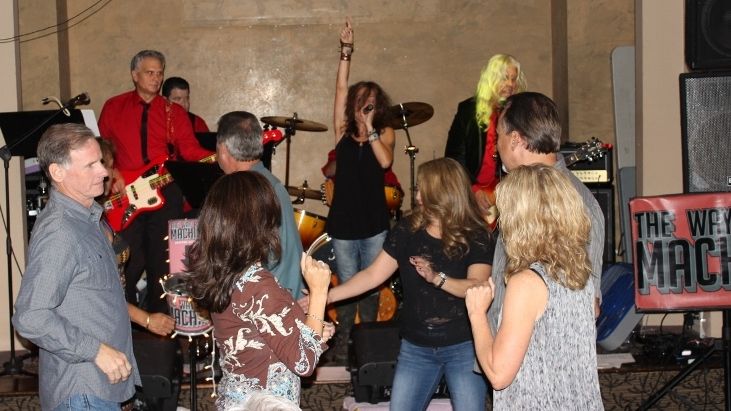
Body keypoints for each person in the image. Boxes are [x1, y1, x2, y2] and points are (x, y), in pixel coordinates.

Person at [318, 157, 494, 410]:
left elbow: (476, 286)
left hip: (463, 345)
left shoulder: (476, 234)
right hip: (416, 346)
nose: (417, 196)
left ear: (442, 192)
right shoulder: (408, 229)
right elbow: (372, 275)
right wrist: (327, 296)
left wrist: (437, 278)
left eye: (423, 189)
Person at [13, 123, 139, 410]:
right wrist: (95, 351)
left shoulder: (87, 218)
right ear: (57, 172)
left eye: (101, 162)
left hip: (99, 388)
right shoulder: (61, 231)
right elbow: (30, 316)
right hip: (82, 391)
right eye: (90, 165)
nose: (104, 172)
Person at [186, 171, 331, 409]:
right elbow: (304, 361)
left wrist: (308, 323)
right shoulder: (257, 284)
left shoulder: (227, 272)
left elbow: (257, 328)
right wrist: (319, 292)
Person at [465, 164, 603, 409]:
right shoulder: (578, 273)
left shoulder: (527, 283)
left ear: (519, 219)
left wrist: (477, 313)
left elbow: (498, 374)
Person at [98, 49, 214, 314]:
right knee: (128, 260)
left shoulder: (173, 112)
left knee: (162, 262)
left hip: (165, 190)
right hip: (126, 193)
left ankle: (160, 324)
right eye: (150, 72)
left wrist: (217, 155)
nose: (156, 78)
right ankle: (125, 319)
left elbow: (189, 149)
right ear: (134, 75)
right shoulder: (114, 107)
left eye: (159, 73)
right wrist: (112, 172)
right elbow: (101, 147)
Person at [486, 91, 605, 337]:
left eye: (499, 136)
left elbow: (586, 305)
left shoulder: (578, 204)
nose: (497, 147)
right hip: (505, 345)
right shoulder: (520, 194)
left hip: (534, 354)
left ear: (515, 139)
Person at [326, 17, 396, 355]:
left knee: (371, 283)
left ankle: (368, 338)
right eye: (360, 101)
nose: (364, 107)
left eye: (371, 103)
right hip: (343, 223)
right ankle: (344, 338)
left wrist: (370, 130)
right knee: (347, 281)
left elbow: (385, 162)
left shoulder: (384, 132)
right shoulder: (341, 132)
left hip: (373, 223)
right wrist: (346, 50)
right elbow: (339, 88)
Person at [215, 110, 305, 299]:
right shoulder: (269, 182)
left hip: (273, 302)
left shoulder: (250, 192)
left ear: (223, 149)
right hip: (283, 295)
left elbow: (260, 260)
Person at [97, 138, 176, 336]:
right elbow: (100, 295)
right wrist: (146, 320)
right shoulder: (88, 223)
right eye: (110, 168)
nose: (112, 174)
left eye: (112, 167)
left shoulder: (97, 217)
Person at [444, 54, 527, 215]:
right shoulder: (468, 110)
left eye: (513, 79)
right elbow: (454, 158)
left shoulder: (518, 114)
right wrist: (473, 190)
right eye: (505, 78)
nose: (510, 84)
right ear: (491, 78)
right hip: (470, 193)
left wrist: (501, 191)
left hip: (506, 194)